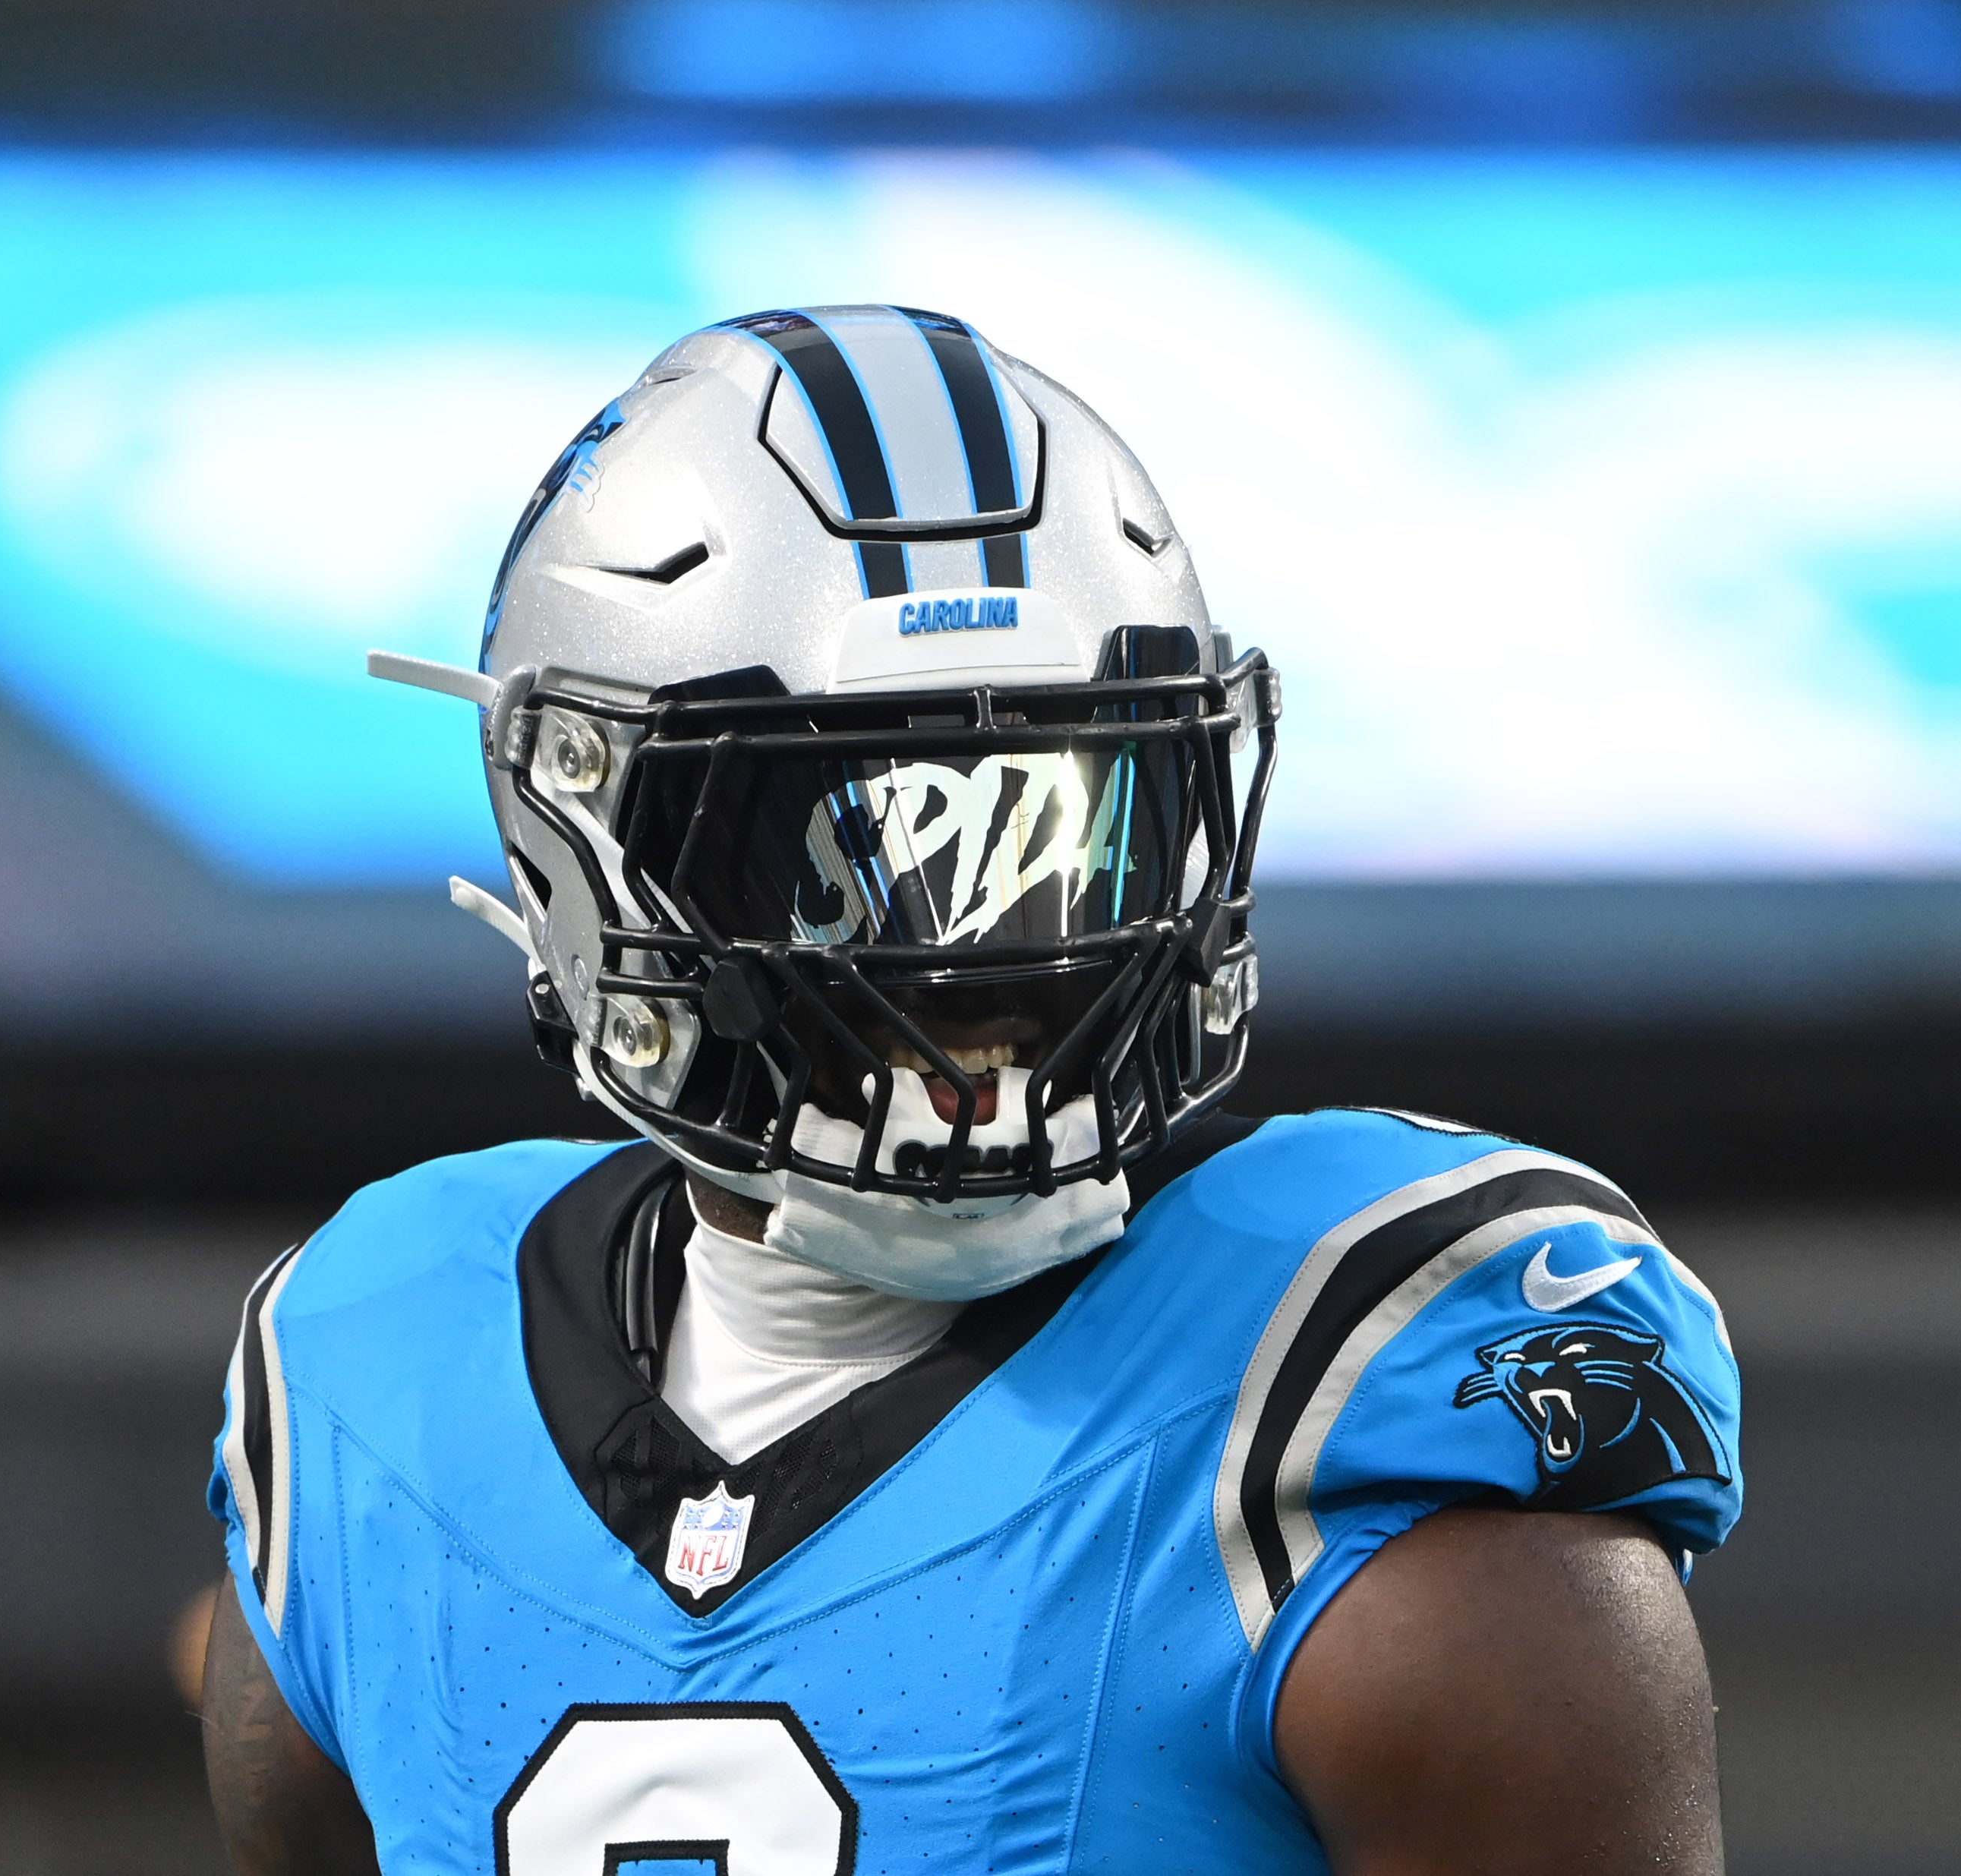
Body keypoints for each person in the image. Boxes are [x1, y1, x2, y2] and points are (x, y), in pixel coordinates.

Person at [198, 305, 1742, 1875]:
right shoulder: (367, 1379)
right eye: (858, 859)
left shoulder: (1348, 1400)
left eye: (1063, 832)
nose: (984, 969)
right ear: (583, 841)